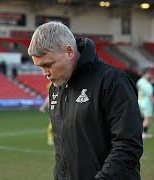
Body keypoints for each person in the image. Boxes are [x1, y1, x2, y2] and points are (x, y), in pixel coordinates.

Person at [28, 21, 143, 180]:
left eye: (48, 64)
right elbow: (62, 153)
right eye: (40, 67)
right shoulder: (56, 88)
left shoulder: (113, 82)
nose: (44, 73)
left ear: (69, 51)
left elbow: (128, 146)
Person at [136, 68, 154, 139]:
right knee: (148, 118)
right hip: (146, 102)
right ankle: (143, 133)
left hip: (139, 100)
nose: (150, 75)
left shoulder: (139, 81)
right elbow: (150, 95)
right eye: (149, 74)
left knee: (142, 118)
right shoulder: (147, 84)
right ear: (144, 74)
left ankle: (140, 133)